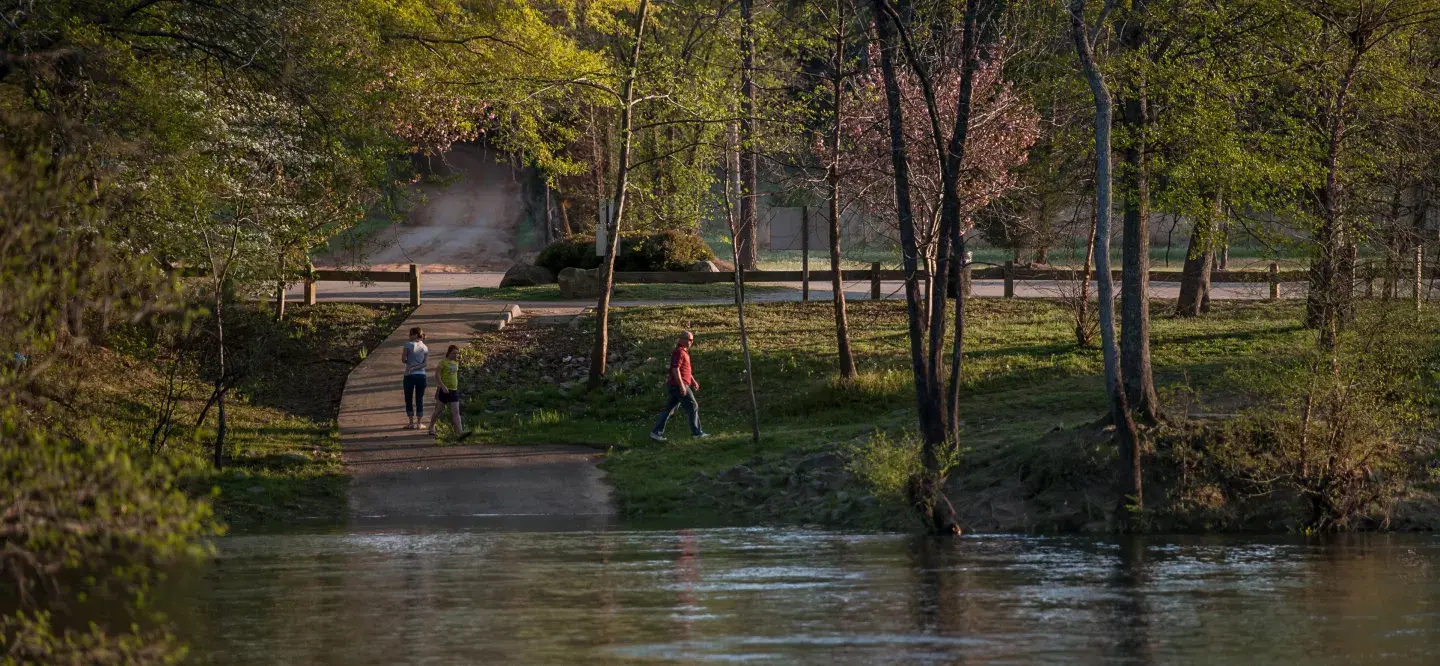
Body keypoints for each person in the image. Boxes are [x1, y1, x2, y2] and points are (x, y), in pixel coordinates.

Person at [650, 331, 708, 441]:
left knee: (669, 409)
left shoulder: (683, 352)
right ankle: (697, 433)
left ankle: (655, 432)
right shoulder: (679, 352)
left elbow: (685, 370)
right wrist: (682, 386)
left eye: (692, 340)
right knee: (693, 406)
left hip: (678, 384)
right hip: (678, 385)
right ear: (681, 339)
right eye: (689, 339)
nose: (691, 342)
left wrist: (693, 381)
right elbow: (675, 369)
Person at [428, 344, 469, 439]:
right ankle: (431, 426)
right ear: (449, 353)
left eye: (457, 353)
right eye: (454, 353)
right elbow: (437, 375)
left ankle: (460, 431)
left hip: (453, 390)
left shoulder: (456, 363)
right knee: (438, 410)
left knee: (456, 411)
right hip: (443, 390)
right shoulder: (443, 362)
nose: (455, 355)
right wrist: (442, 386)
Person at [401, 326, 429, 429]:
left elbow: (403, 359)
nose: (408, 336)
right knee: (419, 398)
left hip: (409, 375)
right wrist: (417, 366)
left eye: (410, 334)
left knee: (408, 398)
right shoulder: (425, 347)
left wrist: (411, 365)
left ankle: (411, 423)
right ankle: (419, 423)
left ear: (414, 335)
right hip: (421, 375)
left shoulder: (408, 345)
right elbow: (425, 364)